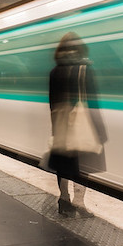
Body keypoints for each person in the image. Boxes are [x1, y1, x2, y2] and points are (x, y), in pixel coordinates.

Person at [48, 32, 107, 216]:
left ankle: (64, 200)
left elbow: (53, 104)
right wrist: (100, 131)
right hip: (83, 126)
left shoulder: (55, 71)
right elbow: (92, 103)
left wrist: (55, 128)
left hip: (61, 126)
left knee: (63, 165)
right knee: (83, 166)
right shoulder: (86, 70)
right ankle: (79, 203)